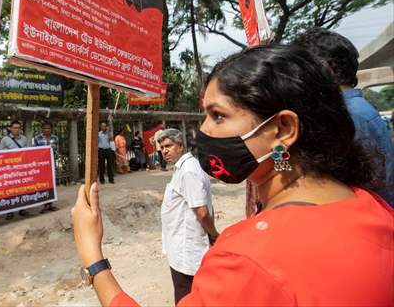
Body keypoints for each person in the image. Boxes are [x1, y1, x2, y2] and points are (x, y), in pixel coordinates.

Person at [71, 45, 393, 306]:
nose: (204, 131)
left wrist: (94, 258)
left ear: (282, 129)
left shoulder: (246, 260)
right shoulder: (374, 207)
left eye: (218, 116)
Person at [291, 27, 394, 206]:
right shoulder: (346, 111)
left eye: (301, 69)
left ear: (325, 69)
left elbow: (363, 183)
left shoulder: (352, 115)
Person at [157, 128, 219, 304]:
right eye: (162, 147)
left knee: (187, 296)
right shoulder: (183, 168)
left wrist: (214, 234)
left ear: (181, 146)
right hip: (180, 245)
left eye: (169, 145)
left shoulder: (188, 171)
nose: (165, 151)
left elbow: (202, 212)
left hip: (187, 247)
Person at [0, 120, 29, 218]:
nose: (17, 130)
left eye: (18, 128)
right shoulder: (4, 140)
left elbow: (28, 151)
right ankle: (10, 211)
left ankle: (22, 208)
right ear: (10, 128)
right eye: (14, 128)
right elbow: (1, 154)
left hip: (21, 168)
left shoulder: (24, 139)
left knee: (22, 188)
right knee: (10, 189)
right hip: (9, 168)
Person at [33, 121, 59, 213]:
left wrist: (54, 149)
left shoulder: (55, 138)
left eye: (48, 128)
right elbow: (34, 152)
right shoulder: (37, 138)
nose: (47, 130)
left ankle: (50, 204)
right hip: (42, 165)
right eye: (45, 128)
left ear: (51, 129)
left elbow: (57, 152)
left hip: (51, 164)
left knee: (52, 183)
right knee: (43, 184)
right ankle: (44, 204)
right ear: (42, 129)